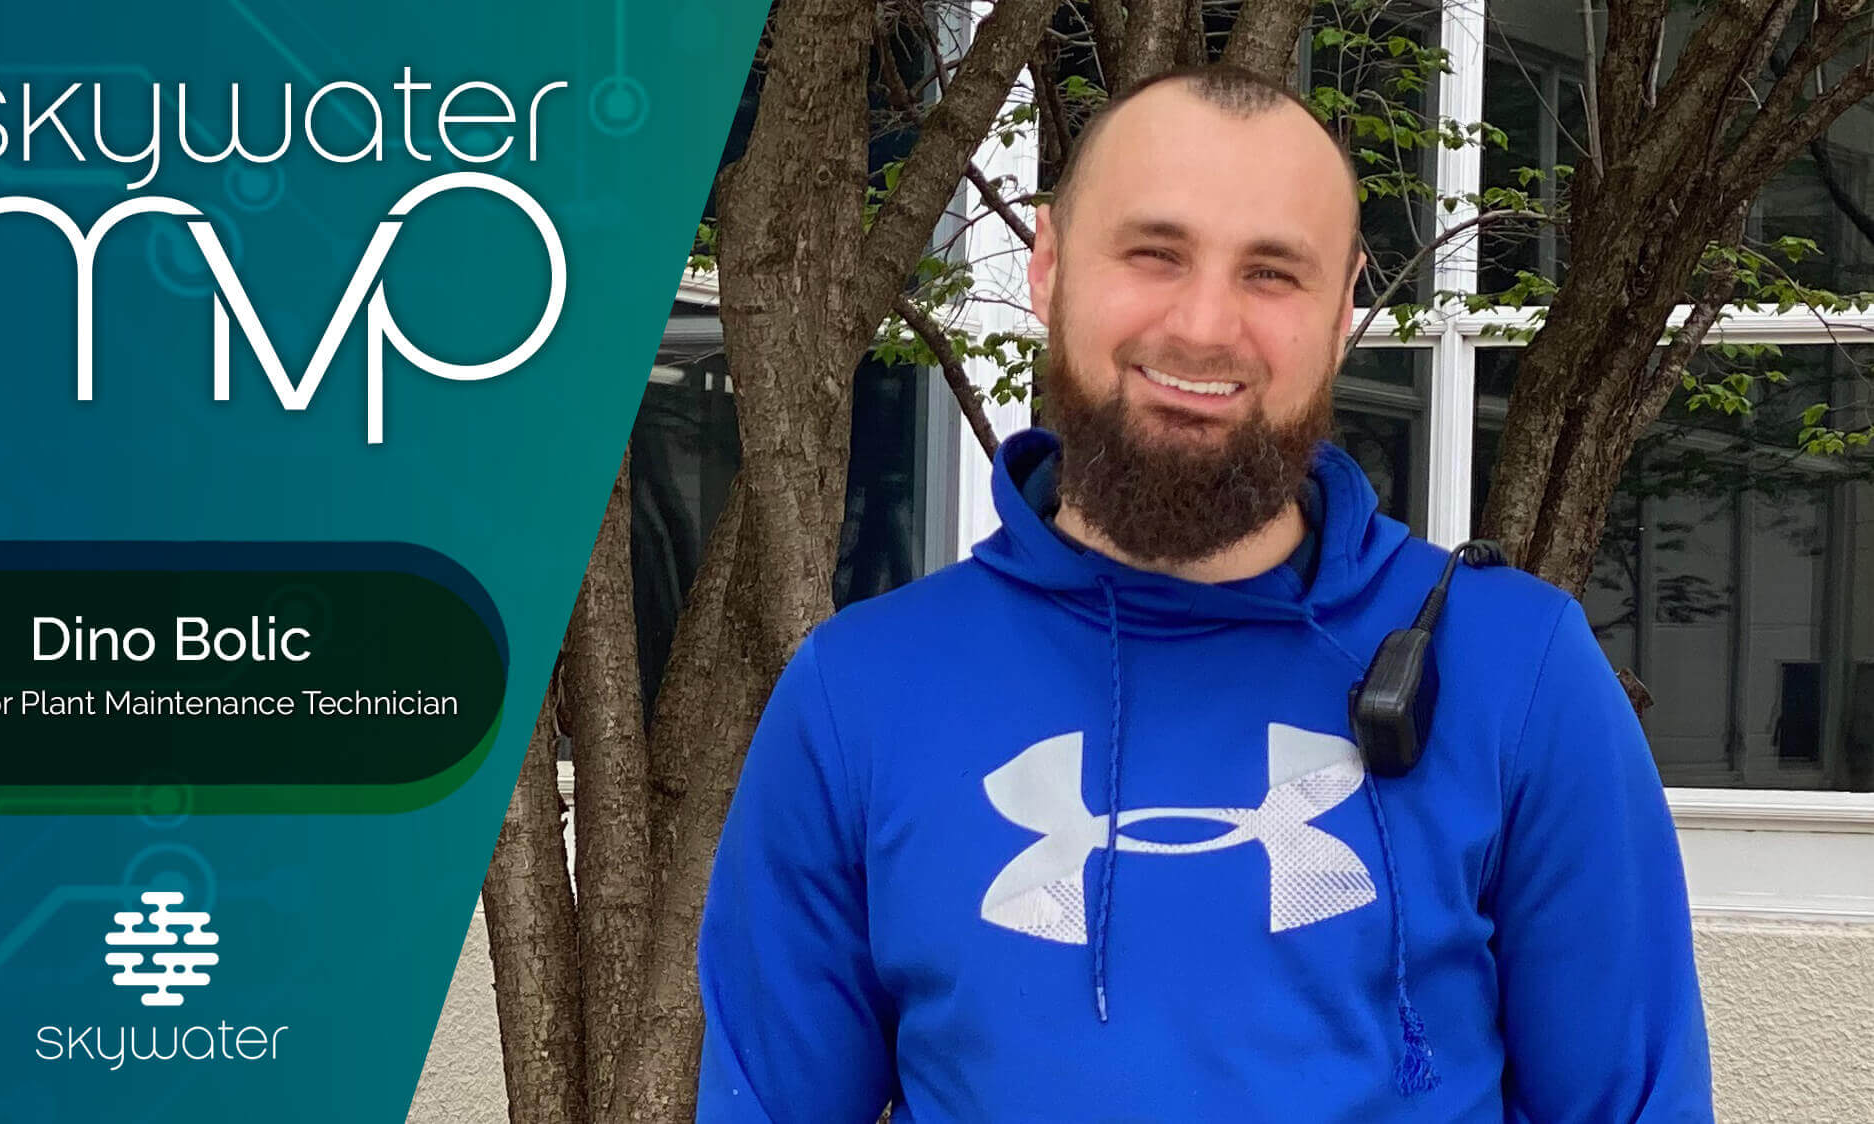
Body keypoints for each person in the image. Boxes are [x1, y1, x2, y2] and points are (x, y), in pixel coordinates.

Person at [694, 64, 1713, 1122]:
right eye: (1155, 252)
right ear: (1047, 267)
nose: (1205, 324)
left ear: (1343, 311)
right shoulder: (860, 694)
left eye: (1272, 273)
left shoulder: (1517, 674)